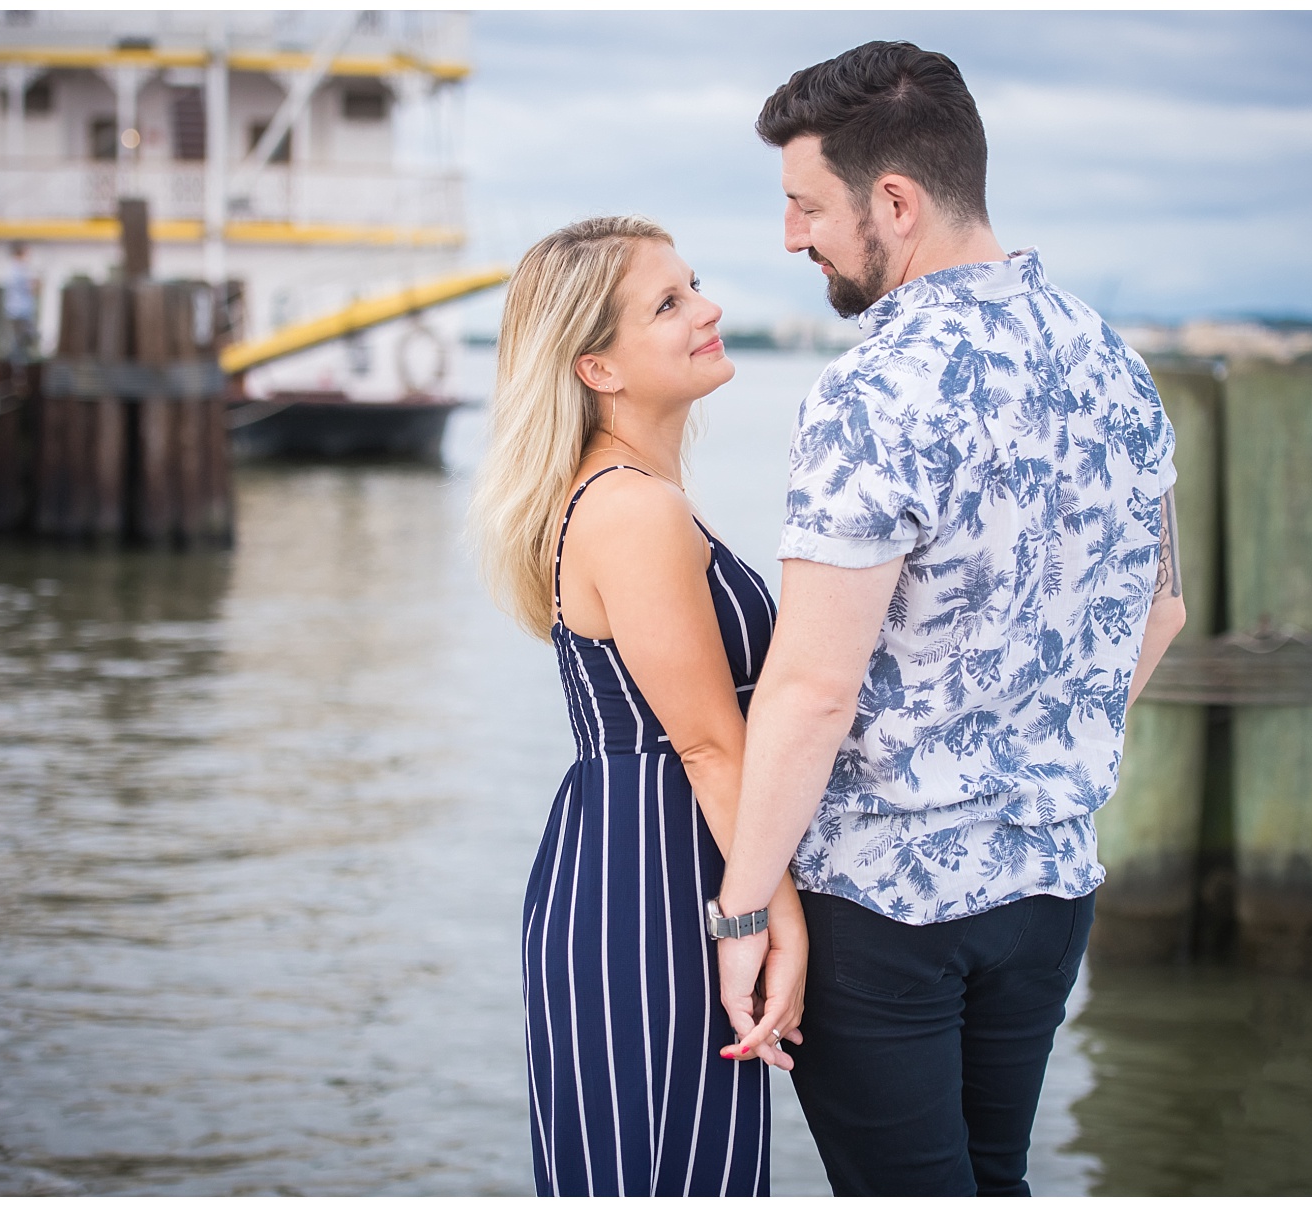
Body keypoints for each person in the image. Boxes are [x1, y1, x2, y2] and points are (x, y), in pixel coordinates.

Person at [712, 42, 1188, 1195]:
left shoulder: (875, 390)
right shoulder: (1114, 363)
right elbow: (1163, 611)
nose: (792, 238)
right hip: (1050, 889)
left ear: (895, 202)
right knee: (996, 1179)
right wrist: (1034, 751)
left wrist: (741, 913)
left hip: (886, 904)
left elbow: (813, 689)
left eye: (806, 205)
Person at [469, 216, 808, 1197]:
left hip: (651, 859)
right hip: (654, 881)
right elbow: (707, 744)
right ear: (597, 368)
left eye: (693, 285)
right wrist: (771, 916)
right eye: (668, 304)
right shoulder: (630, 507)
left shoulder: (637, 493)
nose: (708, 309)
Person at [3, 241, 40, 363]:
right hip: (20, 309)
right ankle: (18, 362)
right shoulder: (19, 269)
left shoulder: (15, 268)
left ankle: (17, 360)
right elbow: (28, 288)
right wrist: (35, 284)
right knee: (23, 336)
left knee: (20, 337)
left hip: (17, 309)